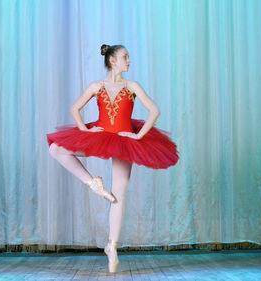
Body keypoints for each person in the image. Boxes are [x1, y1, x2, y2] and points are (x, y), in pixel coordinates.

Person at [47, 44, 179, 273]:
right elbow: (75, 109)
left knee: (119, 194)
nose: (129, 61)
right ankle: (92, 182)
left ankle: (112, 246)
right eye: (125, 57)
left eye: (128, 57)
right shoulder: (96, 86)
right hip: (101, 136)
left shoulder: (132, 86)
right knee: (57, 149)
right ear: (112, 61)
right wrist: (85, 131)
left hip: (125, 141)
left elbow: (154, 111)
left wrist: (138, 135)